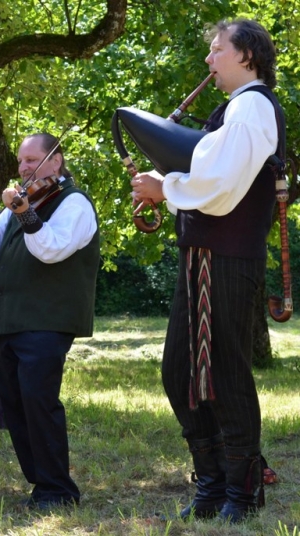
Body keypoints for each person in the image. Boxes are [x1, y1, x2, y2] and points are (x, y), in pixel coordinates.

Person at [131, 19, 282, 524]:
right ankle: (214, 484)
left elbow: (220, 185)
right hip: (203, 255)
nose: (209, 60)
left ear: (247, 55)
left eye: (217, 50)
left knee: (226, 374)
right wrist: (168, 184)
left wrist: (164, 187)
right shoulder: (234, 108)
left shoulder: (252, 106)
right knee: (181, 372)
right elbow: (209, 172)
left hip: (229, 259)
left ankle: (242, 493)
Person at [0, 133, 99, 511]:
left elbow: (51, 249)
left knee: (38, 401)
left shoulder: (75, 204)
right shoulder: (24, 201)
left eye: (32, 160)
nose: (23, 168)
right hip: (11, 322)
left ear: (56, 161)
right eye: (20, 162)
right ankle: (42, 485)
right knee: (15, 404)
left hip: (48, 320)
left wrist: (22, 212)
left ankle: (58, 490)